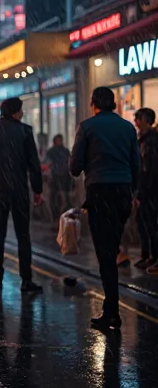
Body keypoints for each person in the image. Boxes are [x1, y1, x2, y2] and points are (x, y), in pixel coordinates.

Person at [70, 87, 140, 329]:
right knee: (113, 245)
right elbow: (136, 165)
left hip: (100, 192)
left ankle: (112, 311)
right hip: (122, 192)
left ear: (93, 104)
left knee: (105, 253)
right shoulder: (128, 127)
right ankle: (112, 308)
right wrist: (134, 193)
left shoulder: (87, 127)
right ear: (113, 104)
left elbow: (75, 166)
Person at [0, 97, 44, 294]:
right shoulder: (25, 131)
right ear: (15, 112)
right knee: (23, 235)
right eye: (21, 110)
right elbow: (34, 164)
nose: (23, 113)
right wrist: (37, 189)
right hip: (19, 190)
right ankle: (26, 279)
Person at [136, 108, 158, 274]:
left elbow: (149, 169)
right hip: (144, 189)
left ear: (145, 120)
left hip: (151, 190)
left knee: (151, 224)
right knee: (143, 223)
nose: (136, 122)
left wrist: (143, 191)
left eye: (138, 119)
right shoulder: (143, 139)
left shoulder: (151, 141)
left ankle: (154, 257)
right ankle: (148, 255)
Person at [43, 134, 73, 217]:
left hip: (61, 175)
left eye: (60, 140)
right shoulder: (57, 151)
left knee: (59, 195)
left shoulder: (62, 151)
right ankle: (58, 213)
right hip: (57, 176)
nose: (60, 142)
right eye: (58, 140)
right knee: (57, 195)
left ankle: (59, 212)